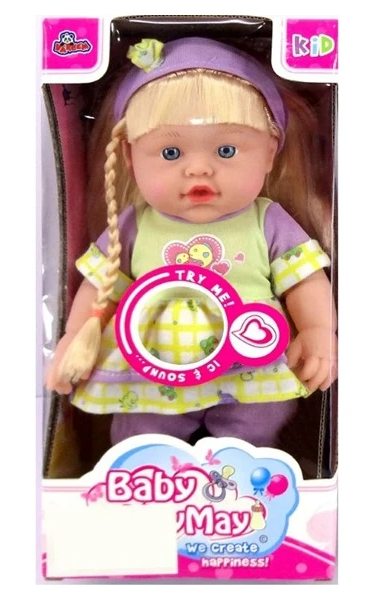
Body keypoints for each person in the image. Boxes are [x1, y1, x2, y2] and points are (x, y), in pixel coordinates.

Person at [46, 37, 337, 448]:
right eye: (170, 152)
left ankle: (245, 468)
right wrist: (76, 337)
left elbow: (304, 279)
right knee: (142, 433)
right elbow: (101, 288)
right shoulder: (133, 225)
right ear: (130, 157)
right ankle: (148, 470)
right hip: (152, 367)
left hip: (249, 360)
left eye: (226, 150)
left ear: (270, 152)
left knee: (256, 427)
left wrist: (318, 329)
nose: (199, 169)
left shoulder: (267, 221)